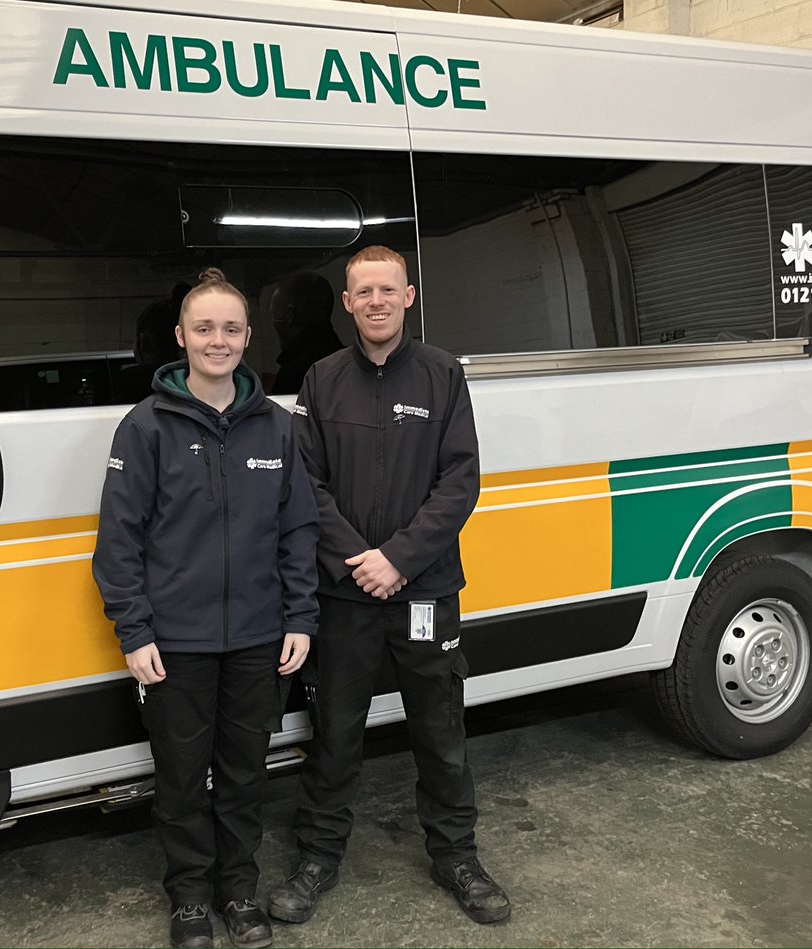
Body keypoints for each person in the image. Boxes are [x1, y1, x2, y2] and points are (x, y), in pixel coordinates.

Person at [268, 246, 510, 926]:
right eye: (362, 290)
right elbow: (304, 484)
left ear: (407, 297)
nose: (375, 300)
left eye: (387, 289)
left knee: (440, 729)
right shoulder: (320, 380)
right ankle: (318, 855)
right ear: (346, 303)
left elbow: (460, 480)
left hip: (425, 590)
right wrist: (355, 559)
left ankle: (457, 854)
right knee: (335, 731)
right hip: (344, 596)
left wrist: (399, 559)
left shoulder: (443, 375)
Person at [93, 268, 319, 949]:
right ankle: (191, 897)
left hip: (258, 638)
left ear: (248, 337)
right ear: (180, 337)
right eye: (203, 328)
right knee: (183, 778)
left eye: (229, 328)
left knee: (246, 774)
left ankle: (238, 889)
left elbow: (299, 528)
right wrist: (134, 630)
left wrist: (301, 617)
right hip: (176, 643)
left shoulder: (275, 428)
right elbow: (118, 542)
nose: (216, 340)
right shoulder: (145, 427)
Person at [268, 271, 344, 395]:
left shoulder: (293, 374)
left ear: (289, 315)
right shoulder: (348, 364)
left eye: (273, 314)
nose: (273, 323)